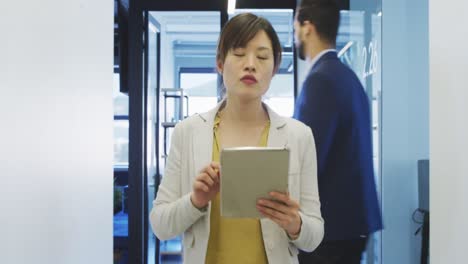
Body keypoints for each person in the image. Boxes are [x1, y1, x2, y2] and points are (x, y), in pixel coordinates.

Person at [150, 13, 324, 264]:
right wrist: (195, 201)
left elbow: (314, 235)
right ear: (220, 63)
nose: (250, 64)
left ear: (274, 68)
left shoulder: (298, 136)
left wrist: (295, 223)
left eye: (262, 56)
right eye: (239, 54)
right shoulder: (187, 132)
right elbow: (160, 225)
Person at [293, 1, 383, 263]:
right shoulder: (348, 78)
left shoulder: (320, 80)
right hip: (353, 223)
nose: (295, 34)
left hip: (330, 230)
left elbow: (308, 159)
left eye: (296, 26)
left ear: (307, 27)